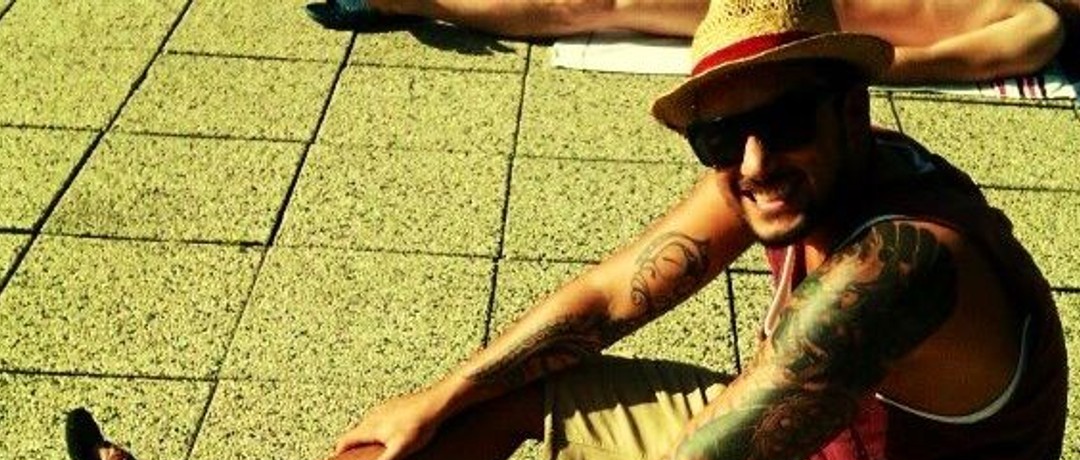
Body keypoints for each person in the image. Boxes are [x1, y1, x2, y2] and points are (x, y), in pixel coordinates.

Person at [33, 0, 1066, 460]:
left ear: (851, 107)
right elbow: (617, 293)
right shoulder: (774, 170)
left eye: (783, 123)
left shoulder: (899, 264)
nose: (753, 163)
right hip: (786, 436)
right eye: (723, 139)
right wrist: (445, 393)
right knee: (523, 387)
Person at [306, 0, 1080, 83]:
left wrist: (796, 63)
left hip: (780, 12)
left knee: (593, 5)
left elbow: (907, 62)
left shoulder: (1038, 23)